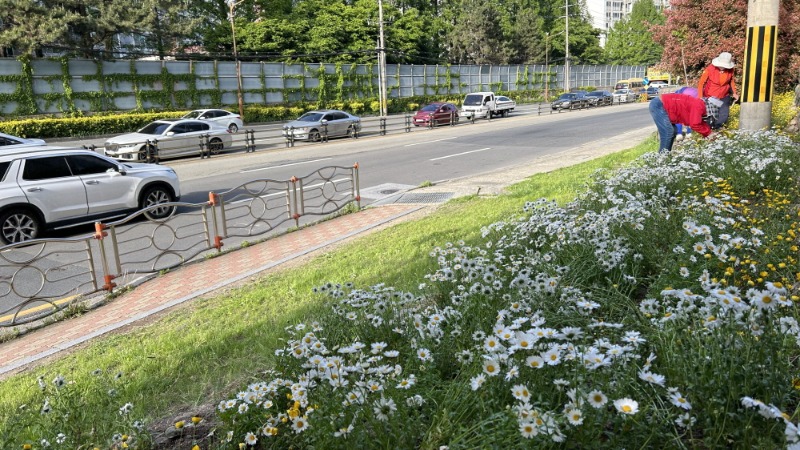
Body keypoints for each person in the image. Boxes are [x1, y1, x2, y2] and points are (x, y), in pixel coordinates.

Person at [649, 93, 719, 153]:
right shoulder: (699, 105)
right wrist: (709, 133)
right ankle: (662, 159)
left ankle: (665, 156)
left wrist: (709, 134)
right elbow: (695, 124)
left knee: (673, 131)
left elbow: (699, 122)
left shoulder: (700, 104)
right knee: (668, 132)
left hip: (661, 105)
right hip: (659, 105)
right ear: (711, 108)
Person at [697, 52, 739, 129]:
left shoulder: (731, 70)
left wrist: (734, 93)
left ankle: (718, 130)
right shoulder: (709, 69)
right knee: (712, 116)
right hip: (711, 95)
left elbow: (732, 82)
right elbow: (701, 84)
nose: (722, 67)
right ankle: (708, 131)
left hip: (724, 95)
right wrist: (700, 97)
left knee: (724, 115)